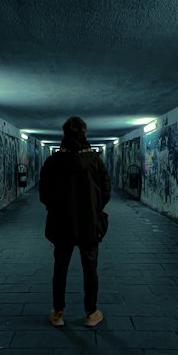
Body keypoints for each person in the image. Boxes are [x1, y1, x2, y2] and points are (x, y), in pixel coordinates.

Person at [38, 115, 111, 327]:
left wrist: (57, 209)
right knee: (90, 269)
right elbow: (106, 191)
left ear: (65, 135)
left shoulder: (52, 162)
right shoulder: (95, 161)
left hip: (61, 225)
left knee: (60, 267)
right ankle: (91, 313)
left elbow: (44, 194)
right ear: (84, 134)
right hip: (89, 225)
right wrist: (94, 209)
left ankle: (58, 313)